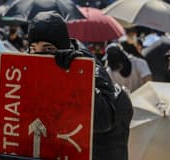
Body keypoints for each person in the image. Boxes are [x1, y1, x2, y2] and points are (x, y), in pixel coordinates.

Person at [27, 11, 133, 160]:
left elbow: (102, 120)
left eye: (48, 49)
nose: (40, 55)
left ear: (62, 48)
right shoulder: (31, 68)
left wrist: (77, 76)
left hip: (107, 138)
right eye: (33, 49)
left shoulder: (86, 65)